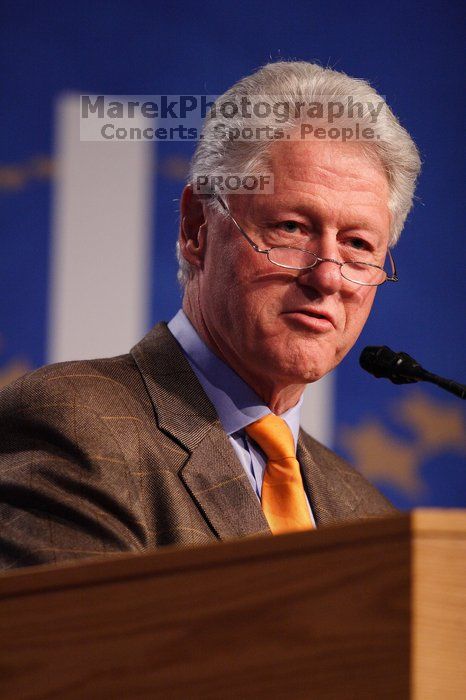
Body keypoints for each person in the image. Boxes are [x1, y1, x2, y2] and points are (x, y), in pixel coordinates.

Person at [0, 62, 420, 569]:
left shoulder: (367, 515)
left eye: (357, 244)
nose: (328, 277)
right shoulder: (77, 426)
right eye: (290, 227)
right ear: (198, 227)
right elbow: (71, 646)